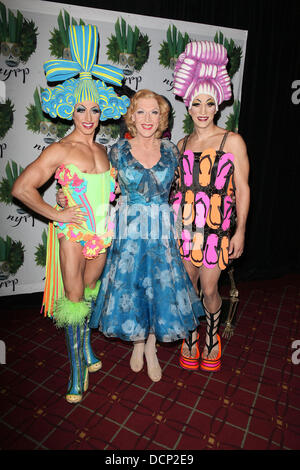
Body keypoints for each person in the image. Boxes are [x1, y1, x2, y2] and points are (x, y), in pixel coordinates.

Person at [11, 24, 130, 403]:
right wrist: (56, 215)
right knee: (74, 300)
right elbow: (21, 188)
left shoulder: (104, 151)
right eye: (81, 108)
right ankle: (77, 371)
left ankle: (88, 350)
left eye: (95, 109)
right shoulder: (59, 150)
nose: (89, 116)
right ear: (69, 109)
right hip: (73, 236)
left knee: (90, 297)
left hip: (102, 235)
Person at [89, 89, 204, 382]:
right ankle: (137, 344)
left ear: (162, 117)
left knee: (159, 289)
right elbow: (97, 189)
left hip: (162, 230)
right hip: (129, 230)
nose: (148, 118)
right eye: (141, 112)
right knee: (134, 287)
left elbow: (184, 189)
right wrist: (68, 201)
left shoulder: (172, 151)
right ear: (131, 116)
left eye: (154, 112)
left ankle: (151, 346)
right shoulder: (116, 151)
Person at [172, 41, 250, 372]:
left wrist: (241, 230)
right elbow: (174, 187)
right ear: (187, 106)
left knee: (209, 289)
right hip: (184, 229)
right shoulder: (181, 143)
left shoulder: (231, 140)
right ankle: (191, 337)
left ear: (217, 106)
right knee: (187, 288)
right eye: (196, 104)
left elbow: (244, 188)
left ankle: (212, 336)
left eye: (209, 103)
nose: (202, 110)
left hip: (216, 230)